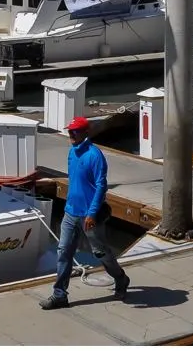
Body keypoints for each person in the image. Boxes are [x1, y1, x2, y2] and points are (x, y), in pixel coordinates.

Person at [40, 116, 129, 310]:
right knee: (63, 251)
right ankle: (59, 295)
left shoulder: (94, 155)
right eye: (69, 131)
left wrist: (92, 213)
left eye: (75, 131)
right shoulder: (72, 153)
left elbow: (100, 186)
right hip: (70, 212)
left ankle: (121, 278)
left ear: (85, 133)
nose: (70, 135)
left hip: (89, 215)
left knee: (100, 252)